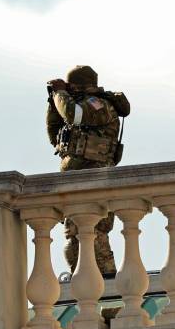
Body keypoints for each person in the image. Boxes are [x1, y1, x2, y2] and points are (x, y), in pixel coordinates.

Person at [46, 65, 130, 277]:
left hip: (96, 179)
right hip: (75, 181)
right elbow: (54, 136)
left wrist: (61, 94)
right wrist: (53, 100)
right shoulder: (75, 105)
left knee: (96, 238)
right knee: (73, 242)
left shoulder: (100, 105)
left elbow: (74, 115)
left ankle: (112, 304)